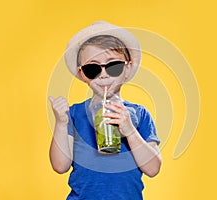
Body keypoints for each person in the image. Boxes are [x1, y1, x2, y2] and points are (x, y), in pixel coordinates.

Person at [48, 21, 162, 200]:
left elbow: (153, 168)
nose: (103, 75)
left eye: (113, 66)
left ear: (128, 68)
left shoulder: (139, 115)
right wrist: (61, 124)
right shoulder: (74, 114)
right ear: (82, 74)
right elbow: (60, 166)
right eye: (92, 68)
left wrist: (130, 130)